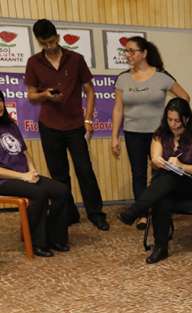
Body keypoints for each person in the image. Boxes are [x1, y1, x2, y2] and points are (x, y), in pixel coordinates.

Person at [24, 19, 108, 231]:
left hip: (75, 125)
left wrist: (88, 119)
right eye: (45, 44)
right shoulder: (34, 62)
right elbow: (31, 95)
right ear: (39, 42)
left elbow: (89, 91)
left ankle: (96, 213)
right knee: (59, 174)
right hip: (49, 125)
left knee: (85, 170)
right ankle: (68, 213)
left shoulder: (76, 59)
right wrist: (45, 95)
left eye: (52, 41)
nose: (50, 47)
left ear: (58, 37)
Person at [117, 98, 192, 264]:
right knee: (163, 194)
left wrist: (181, 166)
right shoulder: (159, 136)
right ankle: (161, 248)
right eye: (169, 119)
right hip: (169, 187)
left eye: (177, 120)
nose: (173, 124)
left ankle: (136, 210)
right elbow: (154, 159)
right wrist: (158, 161)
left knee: (168, 178)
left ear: (186, 119)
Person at [111, 36, 190, 229]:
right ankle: (142, 214)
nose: (127, 55)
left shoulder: (162, 76)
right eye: (126, 51)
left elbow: (184, 98)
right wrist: (114, 137)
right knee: (138, 174)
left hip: (159, 135)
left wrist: (175, 124)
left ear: (144, 53)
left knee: (161, 172)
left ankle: (162, 210)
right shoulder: (123, 78)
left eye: (131, 51)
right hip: (133, 133)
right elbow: (118, 109)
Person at [0, 90, 69, 256]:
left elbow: (24, 152)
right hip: (5, 180)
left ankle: (55, 237)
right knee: (39, 193)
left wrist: (31, 170)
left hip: (24, 175)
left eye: (0, 100)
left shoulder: (11, 125)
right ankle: (37, 242)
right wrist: (23, 177)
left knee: (62, 190)